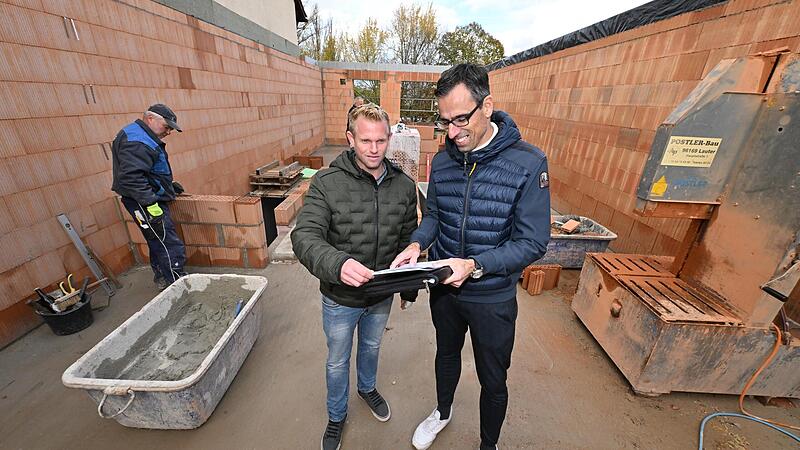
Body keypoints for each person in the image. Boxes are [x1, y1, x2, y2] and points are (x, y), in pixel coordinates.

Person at [391, 63, 551, 450]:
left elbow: (533, 243)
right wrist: (417, 244)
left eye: (462, 118)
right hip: (445, 287)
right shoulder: (444, 160)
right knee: (446, 353)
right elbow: (435, 216)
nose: (453, 131)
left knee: (493, 378)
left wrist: (476, 265)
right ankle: (442, 412)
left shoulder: (528, 164)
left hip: (491, 296)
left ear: (488, 105)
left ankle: (488, 443)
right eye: (445, 121)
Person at [292, 104, 419, 450]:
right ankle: (336, 416)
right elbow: (304, 236)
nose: (374, 149)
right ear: (350, 139)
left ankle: (366, 388)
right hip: (340, 298)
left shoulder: (404, 187)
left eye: (381, 140)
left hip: (381, 294)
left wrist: (408, 289)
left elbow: (410, 239)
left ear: (389, 138)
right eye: (365, 141)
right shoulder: (326, 183)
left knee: (372, 346)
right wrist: (337, 264)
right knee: (337, 359)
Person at [111, 104, 187, 290]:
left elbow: (147, 171)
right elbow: (132, 178)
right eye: (166, 126)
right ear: (150, 119)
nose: (168, 131)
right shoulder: (137, 141)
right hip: (143, 201)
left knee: (156, 239)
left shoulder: (138, 135)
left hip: (145, 197)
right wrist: (151, 204)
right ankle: (178, 284)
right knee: (167, 241)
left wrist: (167, 187)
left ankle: (162, 277)